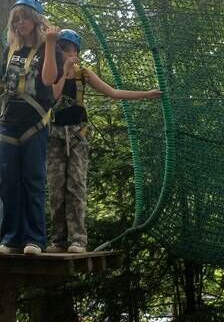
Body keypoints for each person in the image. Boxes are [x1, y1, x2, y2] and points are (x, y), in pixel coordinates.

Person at [47, 29, 161, 253]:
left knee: (76, 186)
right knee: (56, 189)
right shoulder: (50, 73)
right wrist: (64, 70)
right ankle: (58, 240)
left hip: (77, 136)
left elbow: (113, 92)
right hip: (55, 136)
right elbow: (53, 96)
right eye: (64, 49)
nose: (69, 53)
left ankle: (78, 240)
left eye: (72, 49)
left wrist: (146, 94)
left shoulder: (83, 73)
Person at [0, 0, 63, 255]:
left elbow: (48, 79)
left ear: (36, 20)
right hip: (9, 122)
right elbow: (5, 85)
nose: (20, 23)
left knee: (32, 179)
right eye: (16, 19)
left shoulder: (49, 48)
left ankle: (34, 239)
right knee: (7, 182)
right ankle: (11, 239)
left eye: (25, 18)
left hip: (35, 122)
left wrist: (50, 43)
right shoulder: (10, 51)